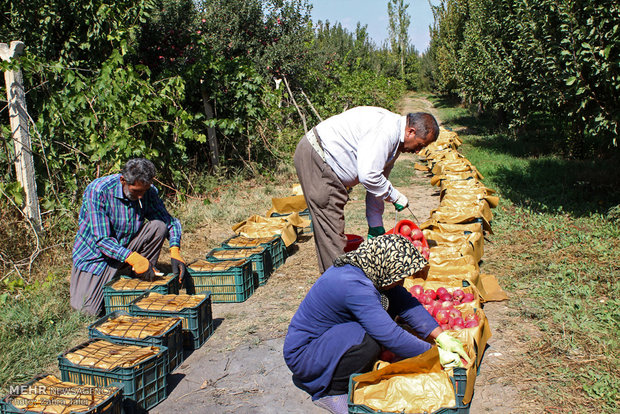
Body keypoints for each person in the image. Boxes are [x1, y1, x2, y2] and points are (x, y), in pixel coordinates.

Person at [283, 234, 470, 414]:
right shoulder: (353, 284)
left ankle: (341, 373)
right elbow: (391, 336)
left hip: (329, 340)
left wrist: (441, 336)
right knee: (369, 341)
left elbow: (406, 303)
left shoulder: (371, 269)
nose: (402, 281)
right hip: (305, 354)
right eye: (400, 276)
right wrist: (433, 355)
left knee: (381, 318)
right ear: (386, 267)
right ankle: (332, 392)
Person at [294, 107, 439, 273]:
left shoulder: (395, 143)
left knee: (333, 228)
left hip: (328, 165)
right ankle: (337, 287)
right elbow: (369, 176)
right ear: (411, 132)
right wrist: (396, 196)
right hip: (319, 159)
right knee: (331, 231)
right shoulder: (385, 131)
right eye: (420, 145)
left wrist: (375, 223)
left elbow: (377, 183)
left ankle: (340, 281)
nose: (418, 151)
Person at [70, 158, 187, 316]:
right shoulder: (98, 191)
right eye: (135, 191)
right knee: (87, 312)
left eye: (143, 192)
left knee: (159, 226)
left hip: (126, 246)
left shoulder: (147, 191)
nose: (140, 197)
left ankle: (138, 282)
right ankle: (120, 276)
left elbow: (168, 221)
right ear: (123, 180)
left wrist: (175, 250)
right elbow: (102, 240)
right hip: (96, 256)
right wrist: (133, 258)